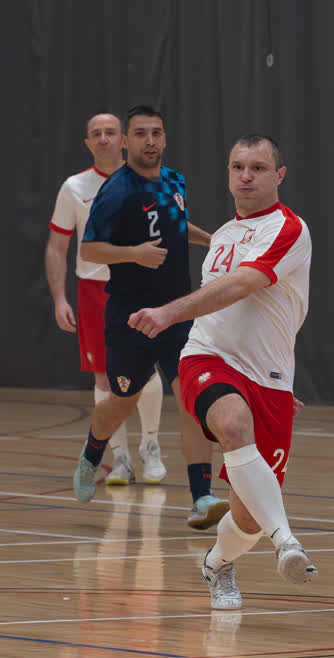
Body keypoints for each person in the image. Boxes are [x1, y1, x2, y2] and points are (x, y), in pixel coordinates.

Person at [128, 134, 317, 608]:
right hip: (206, 357)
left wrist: (271, 382)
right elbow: (227, 304)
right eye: (237, 167)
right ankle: (287, 542)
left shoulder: (289, 229)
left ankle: (217, 563)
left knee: (247, 517)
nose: (246, 176)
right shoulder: (225, 235)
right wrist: (171, 316)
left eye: (258, 168)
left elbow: (245, 286)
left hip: (268, 381)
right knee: (232, 425)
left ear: (280, 175)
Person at [73, 105, 225, 528]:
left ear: (165, 137)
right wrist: (133, 254)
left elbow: (176, 225)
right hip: (131, 319)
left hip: (178, 313)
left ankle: (201, 497)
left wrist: (212, 240)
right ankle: (93, 450)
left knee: (192, 401)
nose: (150, 141)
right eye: (141, 133)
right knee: (121, 403)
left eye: (156, 133)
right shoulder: (116, 191)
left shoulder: (175, 181)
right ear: (127, 141)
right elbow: (89, 249)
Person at [45, 112, 167, 486]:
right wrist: (59, 299)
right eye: (95, 133)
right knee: (105, 375)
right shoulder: (73, 187)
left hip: (141, 286)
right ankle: (121, 458)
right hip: (94, 291)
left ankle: (150, 445)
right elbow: (57, 247)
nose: (103, 139)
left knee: (148, 368)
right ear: (87, 143)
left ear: (124, 139)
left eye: (110, 132)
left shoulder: (151, 181)